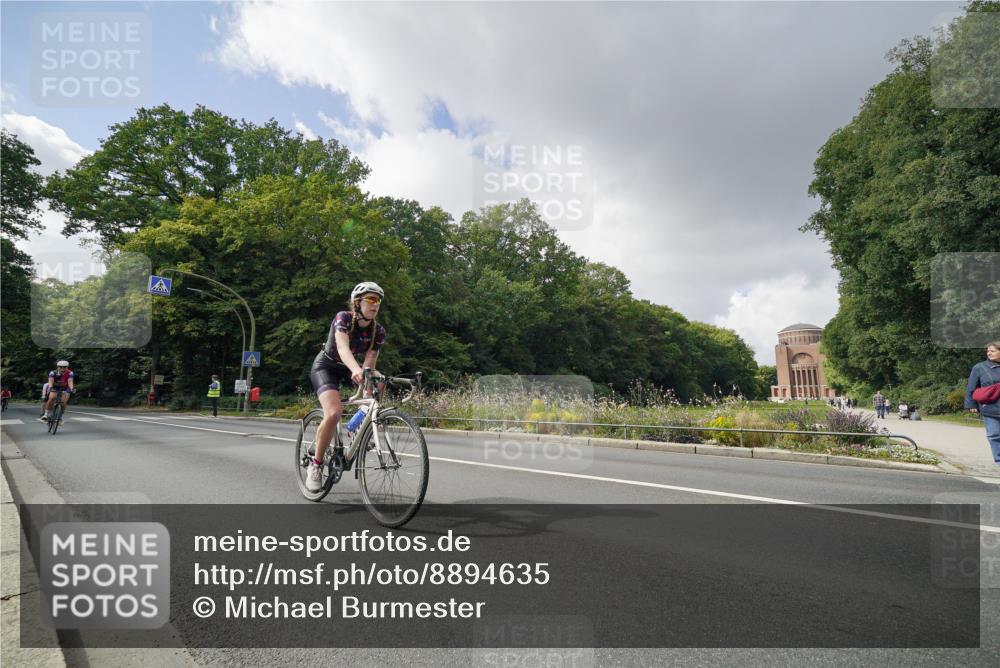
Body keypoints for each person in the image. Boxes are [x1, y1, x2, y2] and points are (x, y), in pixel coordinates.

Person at [306, 282, 386, 492]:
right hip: (326, 367)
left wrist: (369, 372)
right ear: (357, 302)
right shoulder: (343, 318)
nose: (375, 304)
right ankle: (316, 465)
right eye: (370, 299)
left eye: (377, 300)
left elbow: (370, 363)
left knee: (379, 382)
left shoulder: (378, 331)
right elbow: (342, 347)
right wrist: (355, 369)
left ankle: (355, 426)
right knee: (333, 414)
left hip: (352, 367)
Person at [965, 341, 1000, 466]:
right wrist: (971, 405)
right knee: (994, 435)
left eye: (993, 351)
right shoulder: (980, 367)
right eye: (988, 351)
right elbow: (971, 387)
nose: (989, 353)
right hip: (990, 409)